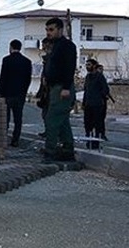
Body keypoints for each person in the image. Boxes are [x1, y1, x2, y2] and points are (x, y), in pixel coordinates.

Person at [42, 17, 77, 162]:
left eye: (51, 29)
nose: (48, 33)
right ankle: (68, 151)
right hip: (55, 87)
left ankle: (50, 152)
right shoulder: (56, 46)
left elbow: (70, 67)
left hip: (62, 88)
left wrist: (66, 87)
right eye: (47, 30)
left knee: (52, 120)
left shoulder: (67, 46)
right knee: (62, 122)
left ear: (60, 30)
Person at [0, 39, 32, 147]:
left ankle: (3, 139)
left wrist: (0, 92)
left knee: (5, 119)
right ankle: (15, 140)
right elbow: (28, 79)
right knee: (18, 119)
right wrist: (24, 91)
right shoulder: (27, 61)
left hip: (7, 94)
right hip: (20, 94)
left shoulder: (7, 60)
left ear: (11, 47)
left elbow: (3, 77)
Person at [82, 59, 110, 148]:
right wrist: (84, 102)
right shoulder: (88, 77)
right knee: (88, 124)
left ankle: (96, 142)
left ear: (94, 66)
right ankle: (88, 141)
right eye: (86, 65)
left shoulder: (100, 77)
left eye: (89, 65)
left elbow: (105, 89)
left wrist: (99, 96)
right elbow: (86, 91)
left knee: (98, 124)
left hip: (97, 104)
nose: (87, 67)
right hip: (88, 104)